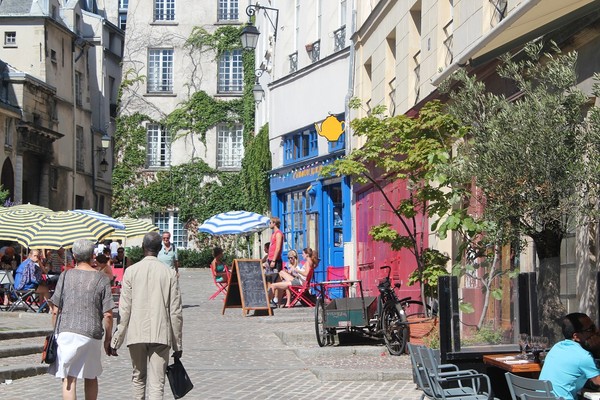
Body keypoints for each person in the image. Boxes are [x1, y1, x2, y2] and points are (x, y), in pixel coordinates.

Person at [110, 231, 183, 399]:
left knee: (138, 378)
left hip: (137, 332)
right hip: (160, 332)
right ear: (159, 249)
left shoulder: (131, 271)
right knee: (157, 382)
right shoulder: (169, 273)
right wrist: (177, 343)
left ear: (143, 247)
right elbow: (175, 311)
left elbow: (124, 309)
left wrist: (117, 339)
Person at [47, 239, 114, 400]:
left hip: (67, 331)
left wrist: (55, 332)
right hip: (91, 333)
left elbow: (55, 310)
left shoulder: (65, 275)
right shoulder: (101, 279)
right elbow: (108, 314)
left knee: (69, 378)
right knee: (91, 376)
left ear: (74, 255)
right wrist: (108, 338)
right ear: (92, 256)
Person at [539, 312, 600, 400]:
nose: (596, 331)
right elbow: (597, 382)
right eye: (591, 329)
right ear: (576, 336)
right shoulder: (583, 356)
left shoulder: (556, 347)